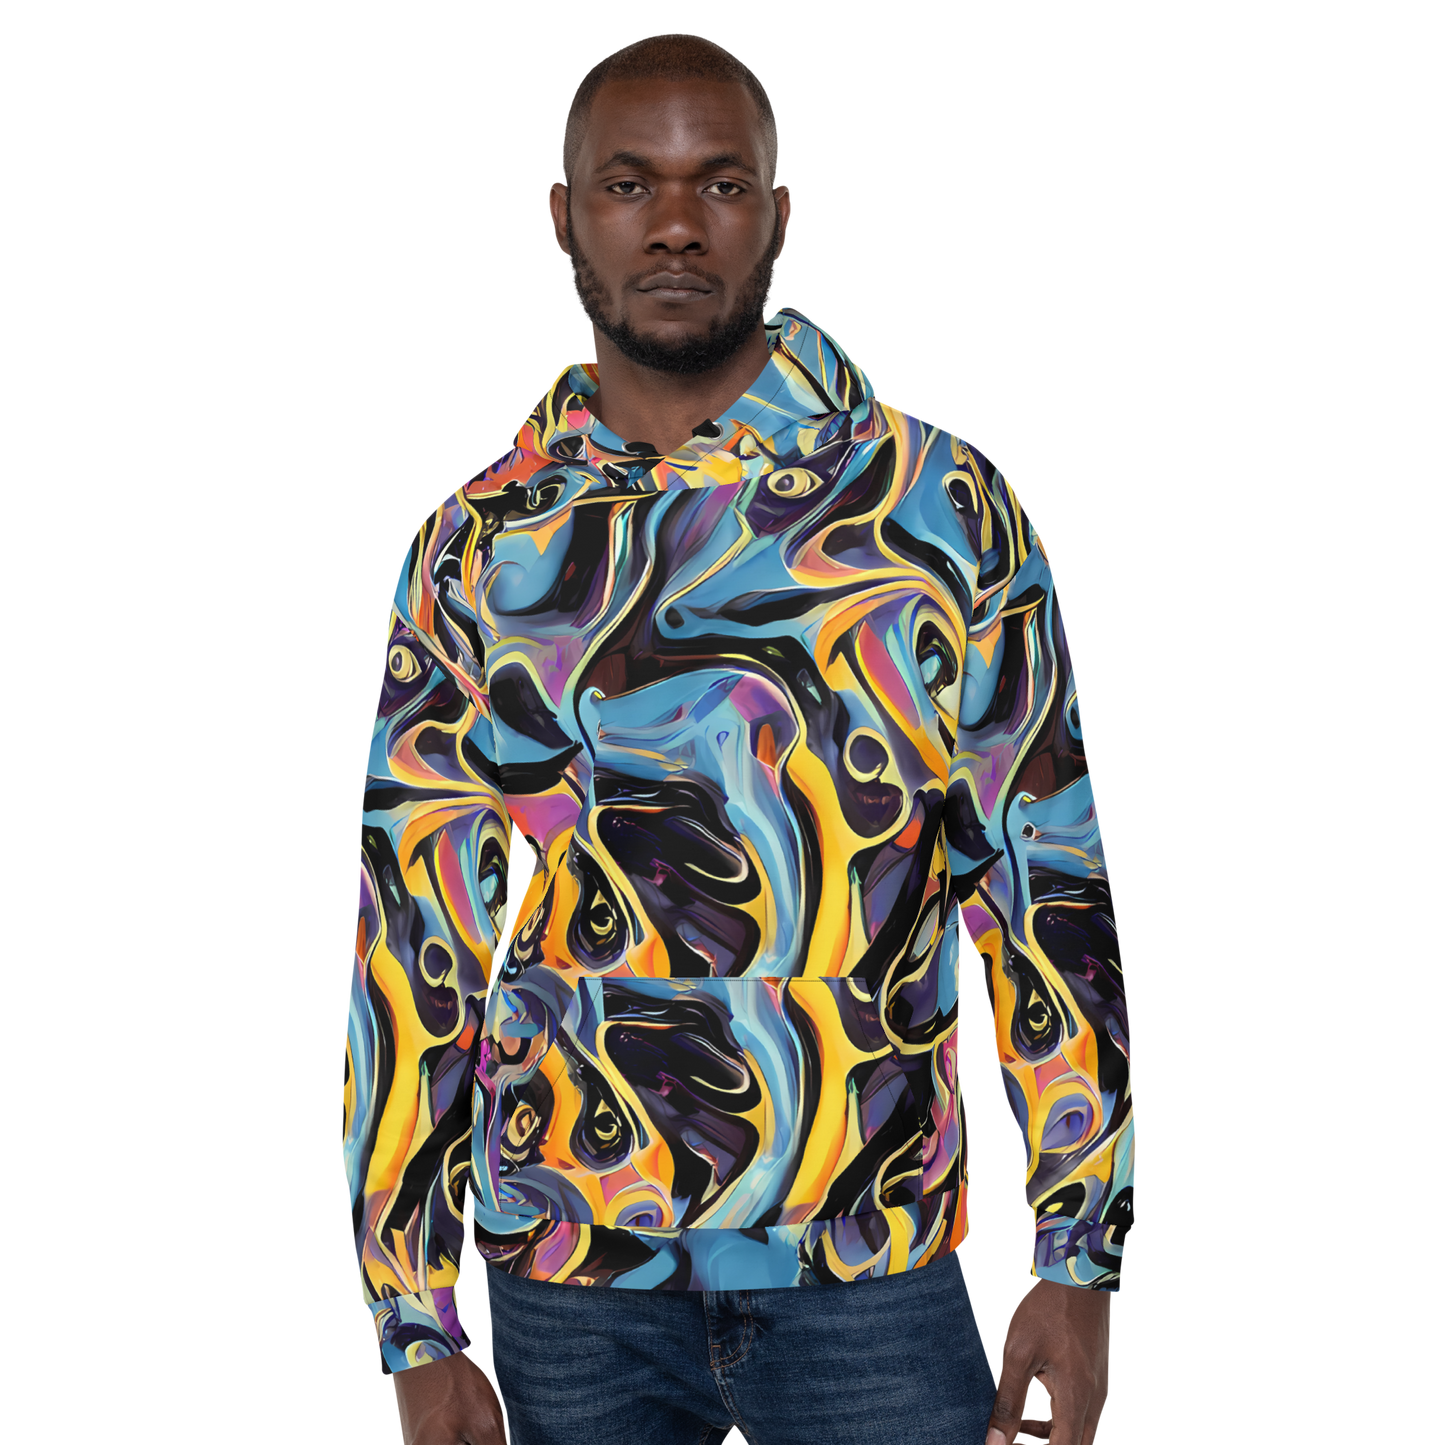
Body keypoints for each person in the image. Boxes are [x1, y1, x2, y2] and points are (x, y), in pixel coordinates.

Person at [343, 27, 1134, 1445]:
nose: (675, 225)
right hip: (569, 1289)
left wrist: (1080, 1258)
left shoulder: (938, 506)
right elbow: (413, 934)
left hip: (872, 1278)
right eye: (628, 183)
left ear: (780, 212)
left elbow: (1043, 883)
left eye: (720, 183)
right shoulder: (478, 545)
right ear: (561, 213)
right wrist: (412, 1316)